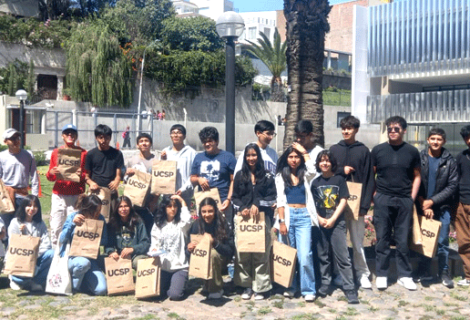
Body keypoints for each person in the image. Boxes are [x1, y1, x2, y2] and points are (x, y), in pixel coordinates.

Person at [371, 116, 421, 291]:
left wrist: (411, 198)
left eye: (396, 129)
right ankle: (382, 274)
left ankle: (405, 276)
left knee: (402, 240)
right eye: (390, 128)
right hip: (383, 198)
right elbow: (372, 175)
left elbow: (417, 176)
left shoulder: (412, 152)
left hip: (404, 200)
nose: (392, 131)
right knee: (382, 238)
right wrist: (375, 195)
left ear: (404, 130)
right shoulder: (378, 150)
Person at [329, 115, 374, 289]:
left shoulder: (363, 151)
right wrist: (342, 170)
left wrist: (365, 205)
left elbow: (370, 179)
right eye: (343, 128)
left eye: (349, 128)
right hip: (336, 204)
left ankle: (362, 273)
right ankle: (340, 273)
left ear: (356, 130)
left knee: (357, 242)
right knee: (338, 242)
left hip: (357, 205)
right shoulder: (334, 149)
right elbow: (327, 171)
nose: (346, 131)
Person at [311, 151, 359, 304]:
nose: (324, 164)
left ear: (332, 163)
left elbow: (344, 200)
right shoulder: (315, 182)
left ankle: (350, 288)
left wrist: (332, 219)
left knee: (342, 257)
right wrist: (320, 219)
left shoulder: (339, 179)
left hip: (337, 222)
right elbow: (312, 205)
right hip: (321, 223)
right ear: (318, 164)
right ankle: (326, 283)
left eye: (327, 161)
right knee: (323, 255)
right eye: (321, 161)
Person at [232, 144, 276, 300]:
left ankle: (261, 287)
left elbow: (272, 198)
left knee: (260, 253)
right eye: (248, 155)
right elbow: (234, 197)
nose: (251, 158)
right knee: (243, 253)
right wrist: (243, 207)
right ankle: (245, 286)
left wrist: (258, 203)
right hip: (243, 220)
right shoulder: (239, 175)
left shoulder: (268, 176)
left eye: (254, 155)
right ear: (245, 157)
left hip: (261, 220)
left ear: (259, 156)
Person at [276, 143, 318, 302]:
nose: (294, 160)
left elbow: (314, 170)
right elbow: (280, 200)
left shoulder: (305, 174)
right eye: (291, 157)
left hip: (304, 217)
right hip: (287, 216)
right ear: (286, 159)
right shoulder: (281, 176)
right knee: (289, 255)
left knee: (305, 255)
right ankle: (291, 287)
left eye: (296, 157)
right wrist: (281, 222)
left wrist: (303, 151)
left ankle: (308, 289)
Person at [415, 128, 457, 288]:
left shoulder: (449, 161)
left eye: (439, 139)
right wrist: (423, 202)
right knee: (425, 240)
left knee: (443, 241)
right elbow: (414, 180)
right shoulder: (420, 158)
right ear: (427, 140)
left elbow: (452, 186)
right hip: (423, 206)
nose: (435, 142)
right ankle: (424, 270)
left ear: (443, 141)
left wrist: (431, 202)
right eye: (432, 138)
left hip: (441, 207)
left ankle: (444, 271)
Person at [46, 124, 87, 246]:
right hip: (59, 194)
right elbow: (50, 176)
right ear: (62, 136)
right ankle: (56, 253)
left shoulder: (83, 153)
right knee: (57, 225)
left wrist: (82, 175)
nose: (70, 135)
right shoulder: (56, 152)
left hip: (76, 195)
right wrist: (51, 173)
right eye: (67, 133)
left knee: (74, 225)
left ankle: (71, 252)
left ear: (76, 136)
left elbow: (87, 175)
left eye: (72, 133)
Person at [59, 195, 108, 295]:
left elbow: (105, 240)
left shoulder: (101, 219)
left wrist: (95, 237)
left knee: (101, 290)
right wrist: (72, 225)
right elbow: (62, 239)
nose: (99, 213)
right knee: (83, 263)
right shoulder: (73, 217)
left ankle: (83, 282)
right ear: (88, 210)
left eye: (100, 210)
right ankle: (73, 287)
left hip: (91, 258)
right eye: (96, 211)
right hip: (74, 258)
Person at [187, 197, 234, 299]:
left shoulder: (222, 223)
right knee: (203, 253)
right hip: (202, 256)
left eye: (210, 211)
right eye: (204, 212)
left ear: (215, 211)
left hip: (221, 257)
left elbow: (230, 250)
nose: (207, 215)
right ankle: (207, 283)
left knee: (212, 254)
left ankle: (216, 288)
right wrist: (189, 247)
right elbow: (189, 247)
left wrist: (214, 242)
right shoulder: (196, 225)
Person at [190, 126, 237, 225]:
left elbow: (234, 180)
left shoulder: (228, 157)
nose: (207, 144)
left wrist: (229, 199)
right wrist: (199, 179)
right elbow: (192, 178)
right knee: (204, 231)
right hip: (203, 201)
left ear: (217, 141)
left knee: (225, 231)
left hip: (222, 201)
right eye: (204, 141)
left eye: (210, 141)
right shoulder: (198, 157)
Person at [8, 195, 53, 291]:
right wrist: (22, 234)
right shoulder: (15, 222)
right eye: (29, 205)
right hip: (20, 260)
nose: (32, 209)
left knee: (51, 254)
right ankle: (15, 279)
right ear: (23, 206)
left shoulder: (40, 223)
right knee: (19, 278)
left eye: (35, 206)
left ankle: (35, 281)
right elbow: (13, 245)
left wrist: (34, 254)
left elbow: (46, 244)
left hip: (36, 257)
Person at [150, 195, 192, 300]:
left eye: (175, 206)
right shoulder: (158, 224)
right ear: (164, 207)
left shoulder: (181, 225)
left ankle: (179, 283)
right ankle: (171, 283)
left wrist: (182, 201)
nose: (173, 209)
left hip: (179, 266)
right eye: (169, 206)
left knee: (174, 295)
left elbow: (188, 219)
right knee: (157, 293)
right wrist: (154, 251)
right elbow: (154, 243)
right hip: (163, 267)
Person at [0, 128, 40, 231]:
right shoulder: (2, 156)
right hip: (6, 197)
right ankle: (8, 246)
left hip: (23, 196)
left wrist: (34, 197)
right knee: (6, 226)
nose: (16, 141)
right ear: (5, 141)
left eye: (17, 138)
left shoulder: (28, 155)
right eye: (12, 138)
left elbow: (34, 176)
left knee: (23, 226)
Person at [85, 124, 124, 216]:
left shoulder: (117, 154)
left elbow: (118, 175)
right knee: (94, 217)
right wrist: (91, 183)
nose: (103, 140)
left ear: (110, 138)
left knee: (112, 217)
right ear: (96, 138)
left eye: (107, 137)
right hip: (96, 191)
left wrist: (116, 181)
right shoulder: (90, 154)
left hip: (111, 192)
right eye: (100, 137)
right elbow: (86, 176)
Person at [125, 132, 159, 235]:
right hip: (135, 201)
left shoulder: (157, 160)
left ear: (151, 144)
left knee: (150, 226)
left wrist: (155, 199)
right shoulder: (131, 160)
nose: (144, 143)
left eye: (146, 141)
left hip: (151, 199)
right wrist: (127, 174)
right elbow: (126, 180)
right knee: (135, 225)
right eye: (141, 141)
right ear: (137, 145)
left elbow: (160, 181)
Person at [105, 196, 150, 270]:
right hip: (118, 256)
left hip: (135, 256)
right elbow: (108, 244)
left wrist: (133, 249)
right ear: (116, 208)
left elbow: (145, 243)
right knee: (102, 260)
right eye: (120, 206)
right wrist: (111, 252)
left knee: (139, 262)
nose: (123, 209)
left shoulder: (138, 221)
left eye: (126, 206)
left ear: (130, 207)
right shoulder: (112, 223)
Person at [160, 124, 197, 207]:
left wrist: (183, 189)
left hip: (184, 194)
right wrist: (163, 160)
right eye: (173, 133)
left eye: (179, 133)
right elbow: (160, 172)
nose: (176, 135)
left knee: (184, 217)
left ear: (184, 136)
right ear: (170, 136)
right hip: (168, 195)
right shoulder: (165, 151)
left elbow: (194, 174)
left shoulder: (191, 152)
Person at [455, 125, 470, 286]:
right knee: (464, 241)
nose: (469, 140)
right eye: (466, 138)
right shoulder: (461, 157)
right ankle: (468, 276)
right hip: (462, 204)